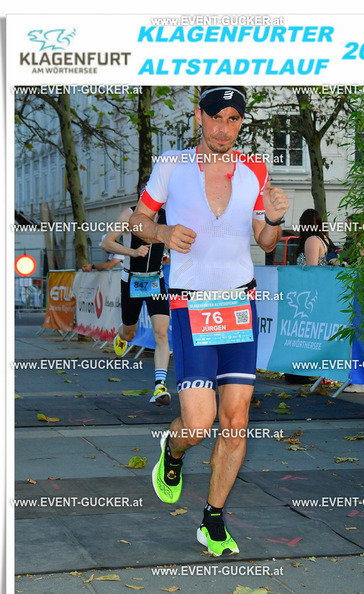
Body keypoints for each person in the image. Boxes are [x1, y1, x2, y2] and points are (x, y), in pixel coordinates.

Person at [128, 86, 289, 556]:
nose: (224, 128)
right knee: (198, 425)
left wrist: (274, 220)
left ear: (241, 123)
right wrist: (162, 231)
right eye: (216, 117)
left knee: (236, 420)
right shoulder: (172, 165)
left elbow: (265, 242)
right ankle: (173, 449)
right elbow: (138, 221)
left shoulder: (255, 169)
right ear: (199, 116)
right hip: (191, 304)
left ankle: (212, 519)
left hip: (239, 303)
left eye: (233, 119)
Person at [101, 207, 171, 406]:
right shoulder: (129, 215)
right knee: (130, 334)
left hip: (156, 281)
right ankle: (121, 333)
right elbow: (107, 243)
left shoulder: (168, 214)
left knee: (161, 333)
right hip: (132, 280)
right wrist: (132, 252)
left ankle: (160, 386)